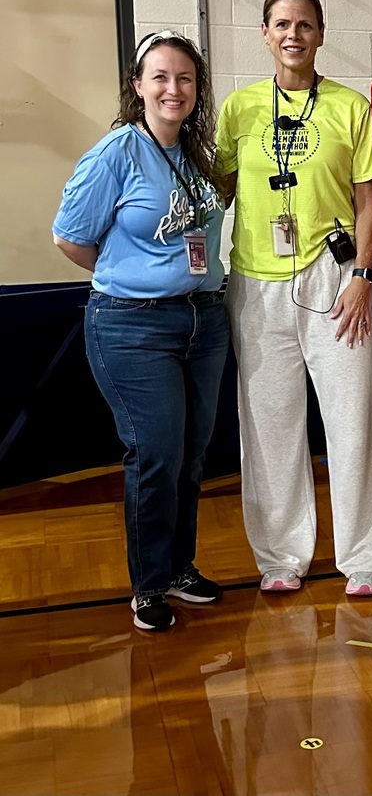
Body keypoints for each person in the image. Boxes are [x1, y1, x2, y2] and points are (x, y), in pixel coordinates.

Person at [216, 0, 372, 597]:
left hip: (333, 276)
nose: (293, 35)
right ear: (265, 33)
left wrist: (363, 277)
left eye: (306, 25)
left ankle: (364, 559)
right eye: (281, 24)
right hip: (256, 281)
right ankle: (281, 556)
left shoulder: (351, 108)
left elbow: (370, 202)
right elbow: (217, 195)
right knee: (269, 425)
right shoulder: (239, 109)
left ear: (321, 35)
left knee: (352, 418)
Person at [53, 31, 230, 632]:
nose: (173, 89)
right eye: (160, 77)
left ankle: (180, 568)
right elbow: (69, 237)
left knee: (190, 453)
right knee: (155, 452)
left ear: (197, 89)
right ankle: (149, 584)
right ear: (138, 86)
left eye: (185, 78)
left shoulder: (194, 153)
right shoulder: (116, 153)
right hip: (133, 326)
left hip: (202, 321)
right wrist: (130, 276)